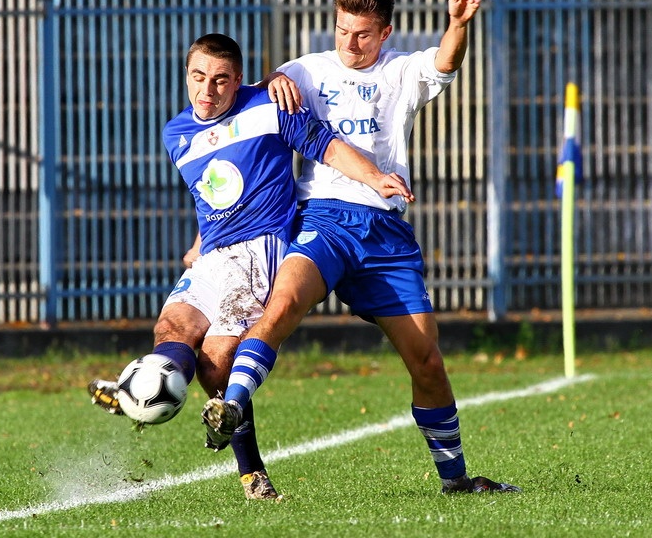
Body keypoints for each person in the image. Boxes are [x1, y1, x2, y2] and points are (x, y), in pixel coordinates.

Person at [199, 0, 522, 495]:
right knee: (281, 306)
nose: (350, 43)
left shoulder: (400, 70)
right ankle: (232, 405)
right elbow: (247, 121)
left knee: (427, 360)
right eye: (342, 30)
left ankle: (455, 479)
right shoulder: (304, 70)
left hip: (384, 233)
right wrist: (272, 79)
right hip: (322, 219)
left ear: (386, 32)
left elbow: (445, 60)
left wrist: (459, 24)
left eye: (363, 34)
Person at [87, 32, 413, 500]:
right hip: (213, 255)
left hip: (259, 253)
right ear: (186, 76)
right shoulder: (175, 133)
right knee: (170, 328)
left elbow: (326, 147)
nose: (208, 90)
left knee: (215, 366)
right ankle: (143, 392)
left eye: (221, 80)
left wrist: (375, 176)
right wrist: (200, 242)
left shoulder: (271, 104)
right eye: (198, 77)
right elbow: (213, 189)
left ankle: (238, 463)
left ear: (238, 80)